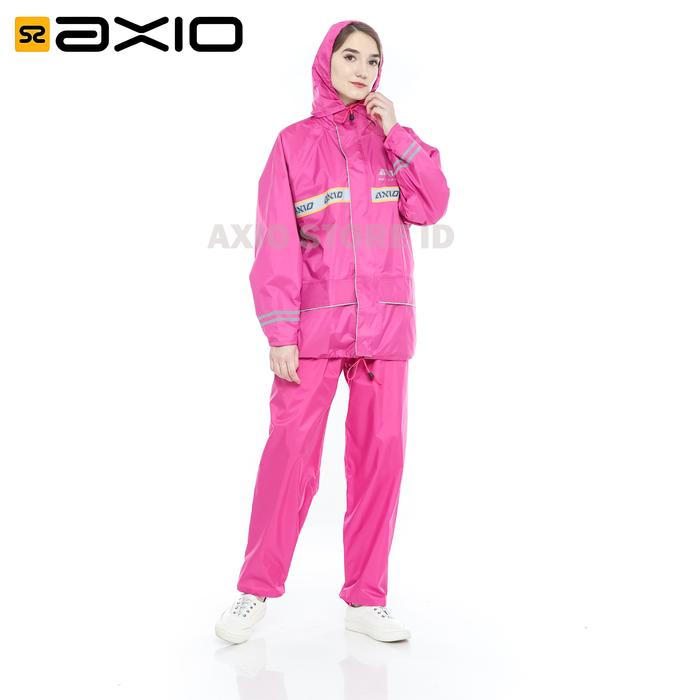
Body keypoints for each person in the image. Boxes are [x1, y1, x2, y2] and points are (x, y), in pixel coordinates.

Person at [215, 19, 449, 645]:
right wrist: (280, 332)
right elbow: (276, 245)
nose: (362, 70)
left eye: (373, 61)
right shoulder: (293, 144)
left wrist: (397, 133)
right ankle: (255, 590)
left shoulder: (391, 143)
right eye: (351, 56)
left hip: (385, 327)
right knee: (289, 456)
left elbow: (432, 206)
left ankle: (366, 599)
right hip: (313, 328)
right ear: (327, 62)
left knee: (381, 459)